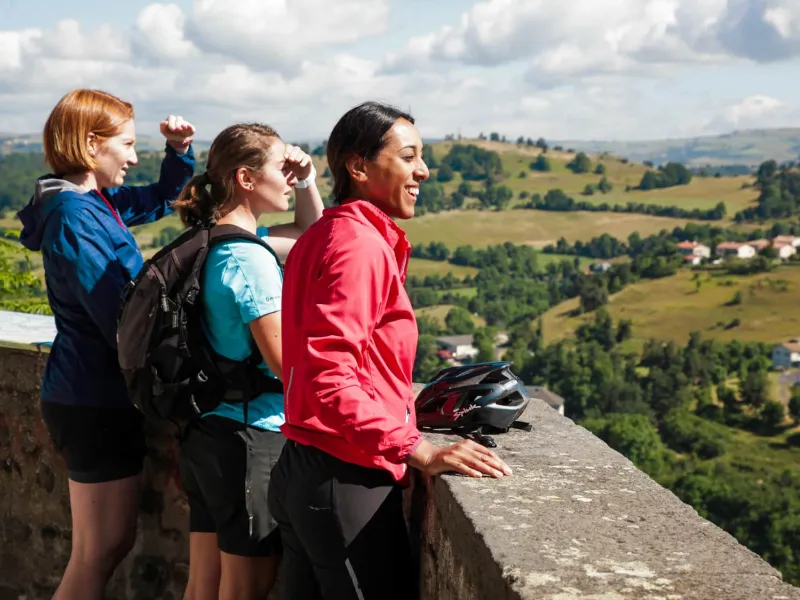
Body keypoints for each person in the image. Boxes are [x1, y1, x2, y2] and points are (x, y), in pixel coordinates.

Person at [269, 100, 513, 600]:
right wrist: (418, 449)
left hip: (303, 469)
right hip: (345, 481)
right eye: (408, 157)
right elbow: (329, 377)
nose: (423, 170)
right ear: (358, 167)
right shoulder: (358, 245)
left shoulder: (323, 234)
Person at [17, 88, 196, 600]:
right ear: (92, 145)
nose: (134, 156)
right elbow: (120, 317)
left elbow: (158, 198)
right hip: (90, 398)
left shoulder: (88, 201)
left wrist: (178, 154)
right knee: (97, 553)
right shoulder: (74, 216)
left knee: (108, 547)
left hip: (95, 395)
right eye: (128, 145)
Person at [171, 123, 324, 600]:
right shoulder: (248, 260)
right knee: (244, 590)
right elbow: (287, 366)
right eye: (281, 168)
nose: (288, 176)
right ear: (245, 178)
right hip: (249, 437)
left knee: (203, 586)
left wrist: (308, 180)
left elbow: (310, 235)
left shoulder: (218, 239)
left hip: (207, 431)